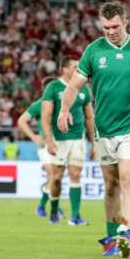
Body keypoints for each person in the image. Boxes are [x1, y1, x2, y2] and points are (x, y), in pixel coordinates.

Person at [57, 1, 130, 258]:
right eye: (106, 27)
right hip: (104, 129)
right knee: (111, 186)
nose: (111, 31)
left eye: (115, 26)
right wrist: (64, 109)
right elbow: (74, 86)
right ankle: (112, 238)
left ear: (125, 23)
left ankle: (127, 232)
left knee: (129, 179)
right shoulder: (93, 51)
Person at [41, 57, 95, 226]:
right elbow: (45, 116)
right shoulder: (53, 87)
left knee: (75, 175)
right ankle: (54, 210)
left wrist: (94, 142)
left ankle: (76, 216)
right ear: (65, 69)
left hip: (79, 138)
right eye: (75, 67)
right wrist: (49, 141)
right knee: (56, 177)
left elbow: (89, 116)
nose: (78, 69)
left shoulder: (84, 89)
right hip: (59, 140)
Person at [17, 78, 64, 220]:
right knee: (53, 175)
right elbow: (21, 120)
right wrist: (34, 137)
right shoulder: (40, 104)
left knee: (57, 178)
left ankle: (48, 205)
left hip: (61, 144)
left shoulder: (64, 103)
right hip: (45, 145)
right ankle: (44, 206)